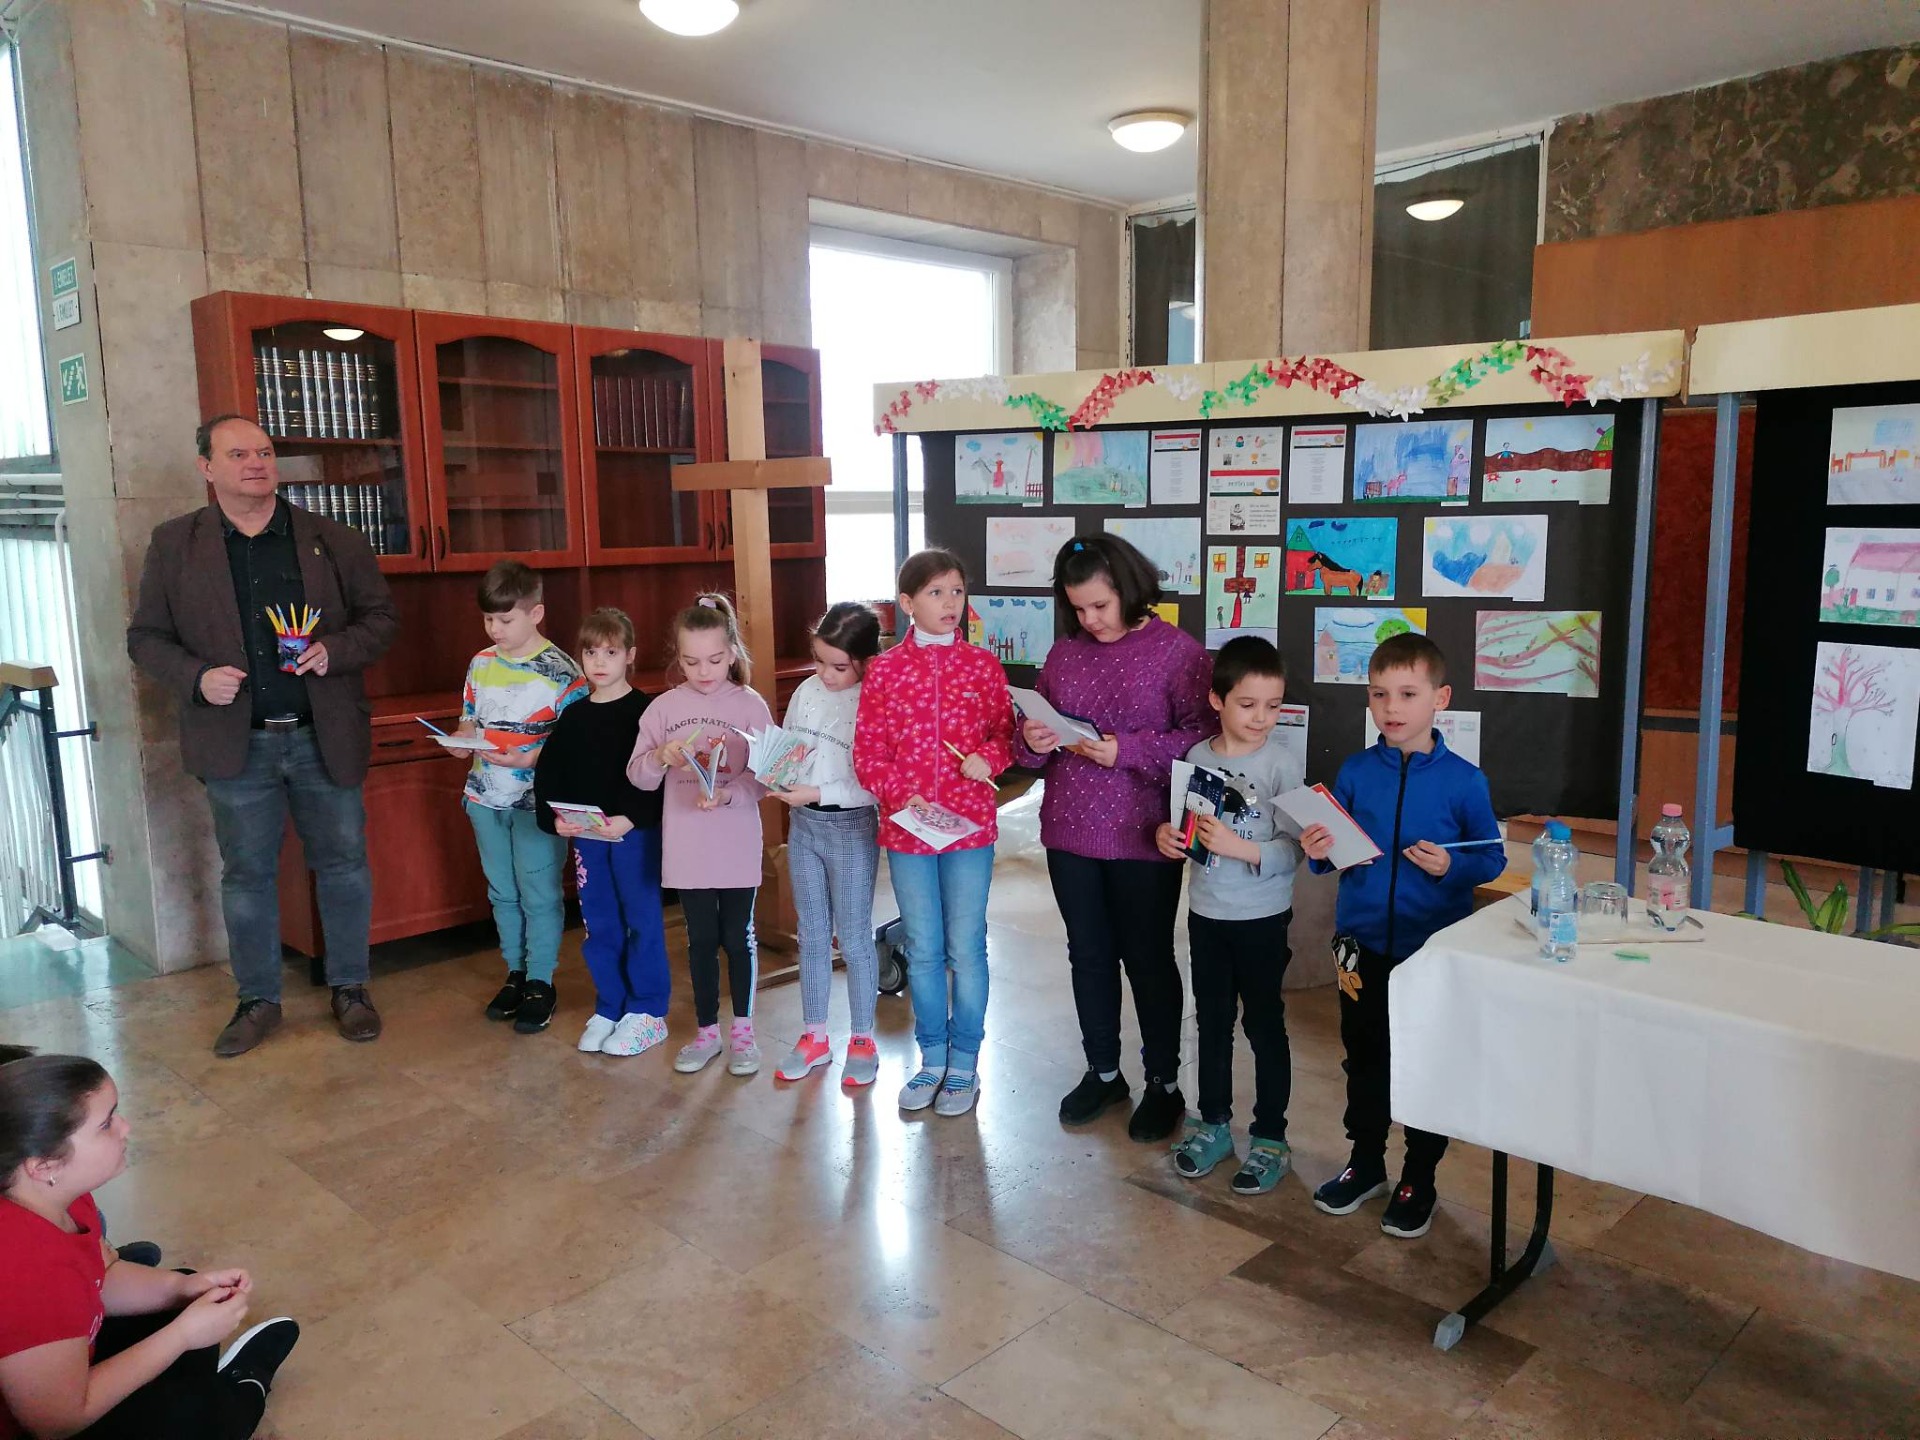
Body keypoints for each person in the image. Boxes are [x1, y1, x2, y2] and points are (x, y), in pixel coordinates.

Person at [127, 414, 399, 1058]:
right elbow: (146, 638)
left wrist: (335, 650)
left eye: (265, 452)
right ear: (207, 467)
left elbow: (382, 619)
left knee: (343, 865)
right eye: (239, 454)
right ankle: (258, 1001)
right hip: (236, 742)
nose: (256, 463)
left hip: (322, 735)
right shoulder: (175, 544)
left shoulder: (333, 538)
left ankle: (351, 988)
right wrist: (197, 678)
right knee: (247, 875)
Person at [1301, 633, 1505, 1239]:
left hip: (1429, 951)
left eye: (1408, 694)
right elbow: (1330, 849)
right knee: (1364, 1055)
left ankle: (1420, 1175)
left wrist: (1452, 866)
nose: (1391, 707)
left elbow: (1491, 858)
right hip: (1359, 943)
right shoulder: (1356, 771)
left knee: (1423, 1061)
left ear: (1440, 698)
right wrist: (1319, 850)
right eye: (1379, 694)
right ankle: (1365, 1161)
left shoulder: (1465, 781)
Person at [1014, 535, 1214, 1141]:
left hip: (1145, 834)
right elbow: (1031, 741)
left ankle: (1164, 1084)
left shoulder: (1179, 653)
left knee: (1147, 959)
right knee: (1088, 954)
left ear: (1129, 589)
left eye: (1100, 605)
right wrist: (1033, 738)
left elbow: (1205, 740)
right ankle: (1104, 1072)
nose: (1090, 620)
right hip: (1068, 829)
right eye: (1078, 608)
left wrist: (1124, 750)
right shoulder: (1065, 653)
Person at [0, 1047, 300, 1439]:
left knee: (185, 1298)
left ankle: (200, 1394)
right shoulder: (26, 1274)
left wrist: (181, 1288)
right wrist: (182, 1337)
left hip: (63, 1368)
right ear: (44, 1166)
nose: (125, 1127)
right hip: (43, 1420)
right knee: (196, 1414)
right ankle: (241, 1389)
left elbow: (102, 1273)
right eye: (106, 1124)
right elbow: (58, 1420)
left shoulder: (57, 1196)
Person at [854, 550, 1014, 1117]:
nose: (951, 603)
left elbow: (1005, 734)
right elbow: (868, 755)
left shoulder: (983, 666)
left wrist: (990, 758)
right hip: (909, 831)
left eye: (957, 591)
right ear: (907, 603)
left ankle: (965, 1061)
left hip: (971, 829)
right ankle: (932, 1057)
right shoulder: (884, 671)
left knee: (966, 947)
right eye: (936, 593)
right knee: (923, 948)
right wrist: (902, 793)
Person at [1154, 638, 1303, 1193]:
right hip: (1207, 913)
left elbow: (1296, 847)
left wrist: (1243, 849)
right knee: (1211, 1022)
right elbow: (1188, 830)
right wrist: (1168, 836)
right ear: (1217, 700)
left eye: (1273, 705)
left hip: (1263, 917)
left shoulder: (1281, 764)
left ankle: (1271, 1139)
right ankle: (1213, 1123)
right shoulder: (1197, 758)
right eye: (1248, 704)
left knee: (1264, 1024)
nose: (1261, 717)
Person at [629, 595, 772, 1077]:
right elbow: (638, 777)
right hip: (687, 845)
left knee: (737, 936)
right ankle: (707, 1031)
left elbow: (767, 776)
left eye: (713, 660)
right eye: (691, 662)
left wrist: (730, 794)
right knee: (701, 939)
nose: (703, 671)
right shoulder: (664, 708)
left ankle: (744, 1031)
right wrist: (659, 758)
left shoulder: (750, 705)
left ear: (731, 653)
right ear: (678, 657)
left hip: (736, 842)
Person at [531, 608, 669, 1057]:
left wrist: (632, 816)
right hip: (589, 839)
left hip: (633, 835)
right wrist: (555, 819)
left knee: (641, 921)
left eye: (610, 652)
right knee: (600, 923)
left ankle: (647, 1011)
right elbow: (549, 776)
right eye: (591, 653)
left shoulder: (647, 712)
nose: (600, 662)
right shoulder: (573, 717)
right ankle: (611, 1005)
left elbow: (659, 775)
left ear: (630, 655)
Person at [458, 561, 587, 1036]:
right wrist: (459, 739)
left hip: (538, 804)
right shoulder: (480, 663)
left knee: (538, 892)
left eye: (506, 619)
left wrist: (530, 759)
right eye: (488, 619)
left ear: (536, 613)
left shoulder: (563, 672)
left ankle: (540, 981)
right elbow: (469, 719)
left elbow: (575, 748)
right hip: (484, 798)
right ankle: (514, 972)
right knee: (502, 892)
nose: (496, 629)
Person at [769, 603, 885, 1089]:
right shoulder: (806, 691)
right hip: (803, 827)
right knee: (812, 935)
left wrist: (817, 791)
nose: (825, 674)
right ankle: (814, 1035)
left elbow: (874, 785)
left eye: (838, 666)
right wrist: (776, 773)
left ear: (865, 660)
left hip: (851, 828)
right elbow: (789, 747)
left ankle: (862, 1039)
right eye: (818, 661)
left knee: (854, 938)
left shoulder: (876, 700)